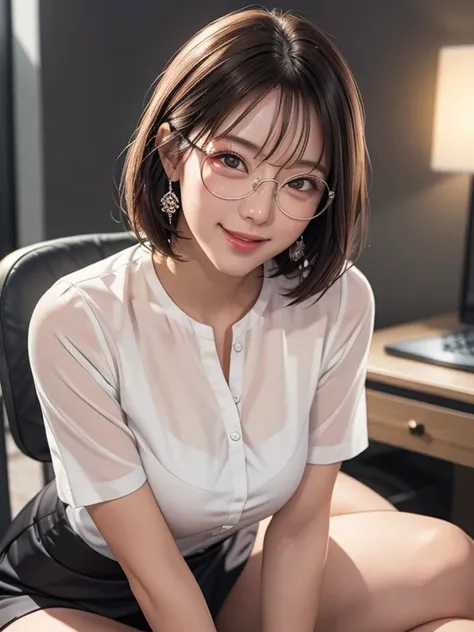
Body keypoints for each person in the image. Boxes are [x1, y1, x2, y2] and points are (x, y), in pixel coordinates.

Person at [0, 6, 473, 632]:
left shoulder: (339, 301)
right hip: (81, 587)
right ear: (172, 153)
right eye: (233, 161)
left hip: (224, 560)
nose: (259, 210)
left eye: (299, 181)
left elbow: (300, 528)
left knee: (448, 559)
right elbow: (152, 572)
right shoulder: (75, 318)